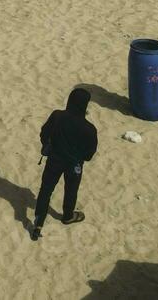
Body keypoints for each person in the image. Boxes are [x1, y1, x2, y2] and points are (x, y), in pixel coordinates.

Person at [30, 88, 98, 240]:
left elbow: (44, 134)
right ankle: (68, 216)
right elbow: (89, 155)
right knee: (71, 190)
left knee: (46, 190)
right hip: (74, 165)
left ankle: (38, 222)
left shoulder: (57, 116)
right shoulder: (89, 129)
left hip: (54, 160)